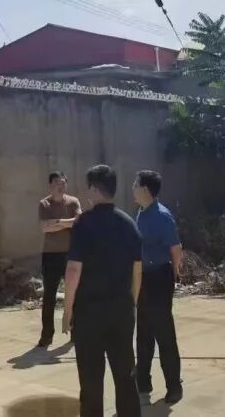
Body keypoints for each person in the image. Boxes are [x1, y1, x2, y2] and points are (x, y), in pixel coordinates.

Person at [63, 164, 143, 417]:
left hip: (89, 315)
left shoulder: (84, 224)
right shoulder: (129, 224)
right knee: (125, 376)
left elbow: (73, 270)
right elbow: (137, 271)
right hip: (121, 311)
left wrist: (67, 310)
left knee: (91, 381)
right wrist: (131, 303)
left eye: (89, 188)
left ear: (96, 190)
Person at [132, 170, 183, 404]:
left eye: (135, 184)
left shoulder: (162, 216)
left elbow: (176, 249)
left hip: (159, 277)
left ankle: (174, 386)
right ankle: (143, 382)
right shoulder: (142, 212)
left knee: (163, 332)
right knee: (143, 332)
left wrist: (173, 275)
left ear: (145, 189)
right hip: (143, 277)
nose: (132, 188)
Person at [37, 171, 82, 347]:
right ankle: (47, 335)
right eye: (57, 183)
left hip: (71, 255)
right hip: (50, 255)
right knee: (49, 296)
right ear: (50, 185)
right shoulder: (44, 204)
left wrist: (56, 222)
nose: (60, 186)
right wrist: (66, 223)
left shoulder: (73, 202)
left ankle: (76, 332)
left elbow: (78, 222)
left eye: (63, 183)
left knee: (75, 293)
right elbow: (44, 228)